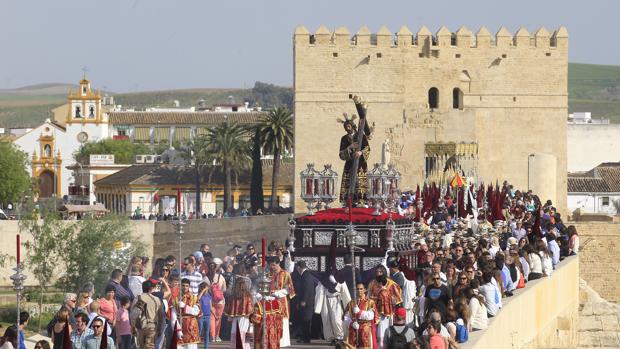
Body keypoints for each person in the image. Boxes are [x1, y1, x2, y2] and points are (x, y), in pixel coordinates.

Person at [338, 98, 371, 207]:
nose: (347, 128)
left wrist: (361, 152)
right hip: (349, 165)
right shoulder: (344, 139)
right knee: (349, 183)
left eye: (348, 126)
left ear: (352, 126)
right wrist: (350, 148)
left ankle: (361, 201)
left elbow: (367, 148)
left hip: (360, 164)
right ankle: (348, 202)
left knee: (360, 183)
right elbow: (341, 154)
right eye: (345, 127)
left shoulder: (361, 136)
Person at [314, 275, 351, 346]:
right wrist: (318, 307)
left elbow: (344, 289)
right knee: (327, 320)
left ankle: (339, 337)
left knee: (336, 319)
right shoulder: (324, 278)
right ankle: (333, 338)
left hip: (336, 301)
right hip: (326, 301)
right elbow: (319, 290)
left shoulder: (339, 277)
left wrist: (335, 283)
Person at [268, 256, 295, 348]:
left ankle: (283, 342)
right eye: (271, 265)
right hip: (270, 300)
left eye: (274, 265)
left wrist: (278, 293)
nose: (272, 267)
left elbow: (289, 288)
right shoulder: (269, 274)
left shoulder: (285, 274)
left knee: (282, 321)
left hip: (281, 300)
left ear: (278, 264)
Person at [343, 282, 378, 349]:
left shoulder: (370, 302)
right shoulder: (351, 303)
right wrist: (351, 323)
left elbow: (371, 315)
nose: (359, 290)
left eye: (361, 289)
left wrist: (360, 312)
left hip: (365, 329)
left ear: (365, 290)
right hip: (353, 329)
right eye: (357, 289)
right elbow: (346, 317)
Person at [134, 280, 164, 349]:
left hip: (141, 326)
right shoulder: (157, 300)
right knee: (150, 346)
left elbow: (134, 314)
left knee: (141, 346)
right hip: (152, 326)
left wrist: (133, 325)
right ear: (151, 288)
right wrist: (160, 328)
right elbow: (161, 315)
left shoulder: (139, 298)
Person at [224, 278, 253, 349]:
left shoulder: (233, 296)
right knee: (243, 338)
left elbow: (230, 312)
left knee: (236, 336)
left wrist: (231, 317)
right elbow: (250, 310)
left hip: (236, 320)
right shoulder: (247, 296)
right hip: (244, 319)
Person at [294, 261, 317, 344]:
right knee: (304, 320)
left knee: (306, 321)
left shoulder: (306, 275)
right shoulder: (306, 274)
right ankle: (304, 337)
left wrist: (304, 300)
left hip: (307, 303)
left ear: (299, 267)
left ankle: (306, 338)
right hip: (306, 302)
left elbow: (307, 289)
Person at [206, 259, 226, 343]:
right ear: (216, 268)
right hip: (220, 302)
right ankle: (217, 336)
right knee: (218, 319)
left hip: (210, 301)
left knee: (211, 319)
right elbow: (224, 289)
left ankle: (212, 336)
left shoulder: (206, 277)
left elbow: (205, 290)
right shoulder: (221, 277)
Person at [178, 278, 201, 349]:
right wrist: (177, 329)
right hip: (180, 325)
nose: (185, 287)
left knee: (190, 346)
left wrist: (185, 307)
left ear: (189, 286)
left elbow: (196, 312)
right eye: (183, 285)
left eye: (187, 286)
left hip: (191, 326)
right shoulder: (177, 297)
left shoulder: (194, 298)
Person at [197, 282, 212, 349]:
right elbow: (198, 298)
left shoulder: (209, 295)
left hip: (208, 316)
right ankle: (195, 346)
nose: (206, 289)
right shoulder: (200, 295)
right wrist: (203, 290)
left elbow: (211, 306)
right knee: (199, 331)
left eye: (206, 288)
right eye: (203, 288)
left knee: (206, 333)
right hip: (201, 316)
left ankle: (206, 347)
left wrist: (214, 314)